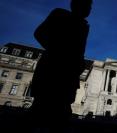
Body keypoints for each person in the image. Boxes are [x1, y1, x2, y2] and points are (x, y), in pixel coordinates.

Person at [29, 0, 92, 130]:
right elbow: (39, 33)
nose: (89, 8)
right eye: (87, 4)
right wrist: (60, 53)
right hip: (51, 71)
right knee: (40, 111)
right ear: (76, 4)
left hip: (69, 77)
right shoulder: (59, 14)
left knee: (62, 115)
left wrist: (79, 64)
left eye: (90, 5)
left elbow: (79, 51)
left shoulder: (84, 25)